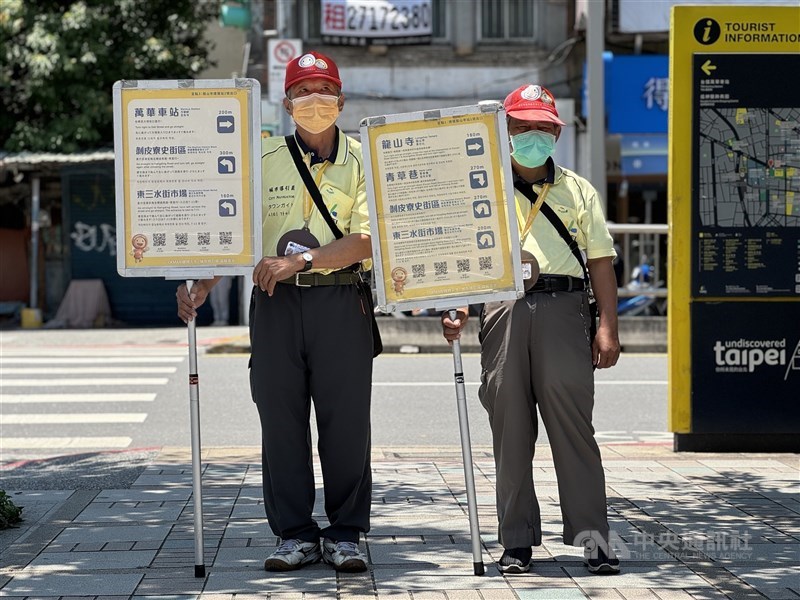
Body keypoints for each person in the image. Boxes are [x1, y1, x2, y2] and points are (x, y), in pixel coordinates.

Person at [177, 51, 375, 573]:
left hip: (341, 299)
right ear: (286, 104)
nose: (315, 102)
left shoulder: (364, 161)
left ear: (341, 100)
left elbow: (366, 239)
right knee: (281, 422)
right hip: (275, 304)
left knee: (346, 423)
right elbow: (235, 235)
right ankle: (295, 533)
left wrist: (302, 260)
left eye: (323, 91)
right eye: (303, 93)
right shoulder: (260, 160)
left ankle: (347, 533)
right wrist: (201, 283)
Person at [442, 84, 621, 575]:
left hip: (566, 310)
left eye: (543, 128)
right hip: (503, 310)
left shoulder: (577, 189)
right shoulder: (482, 187)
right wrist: (455, 308)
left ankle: (593, 539)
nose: (532, 136)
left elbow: (601, 262)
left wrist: (608, 325)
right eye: (522, 127)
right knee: (510, 430)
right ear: (504, 132)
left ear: (557, 133)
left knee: (574, 432)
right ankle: (516, 541)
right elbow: (463, 259)